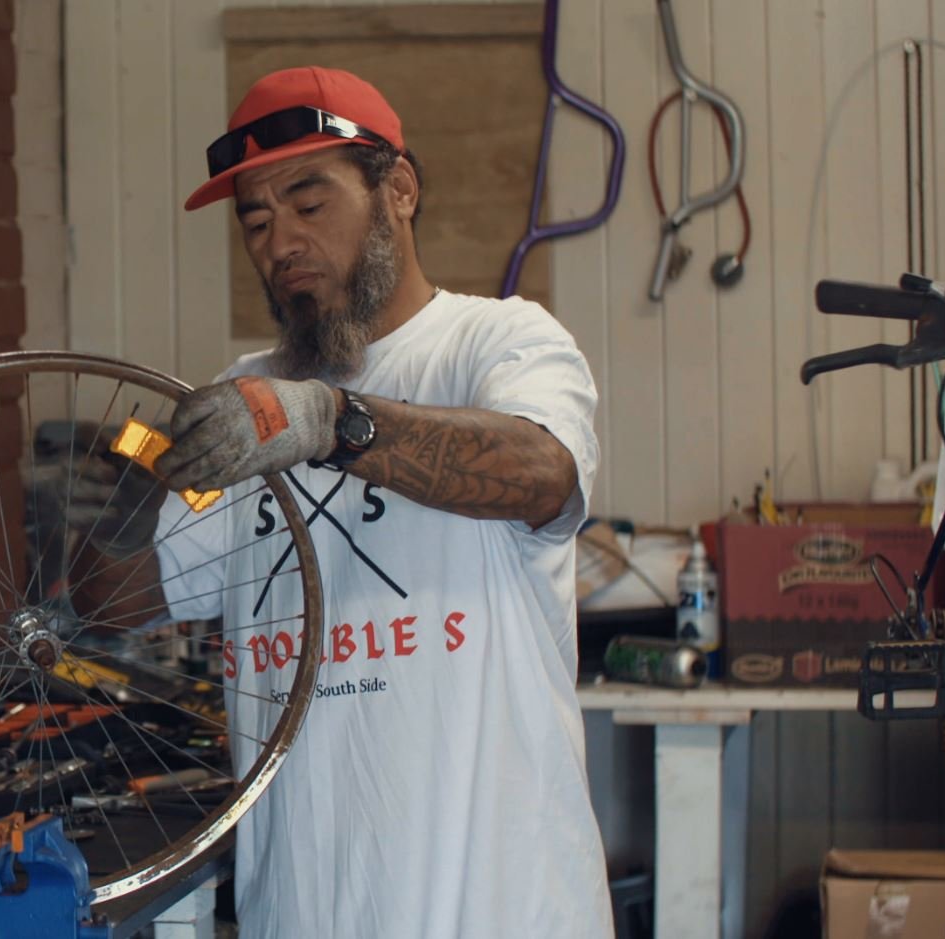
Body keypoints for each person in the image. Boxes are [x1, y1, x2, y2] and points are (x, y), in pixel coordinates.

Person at [67, 66, 613, 937]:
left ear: (399, 190)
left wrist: (330, 421)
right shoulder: (244, 397)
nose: (280, 241)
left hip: (497, 908)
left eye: (309, 202)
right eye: (254, 220)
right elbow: (116, 598)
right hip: (299, 910)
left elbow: (541, 473)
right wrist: (132, 494)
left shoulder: (497, 342)